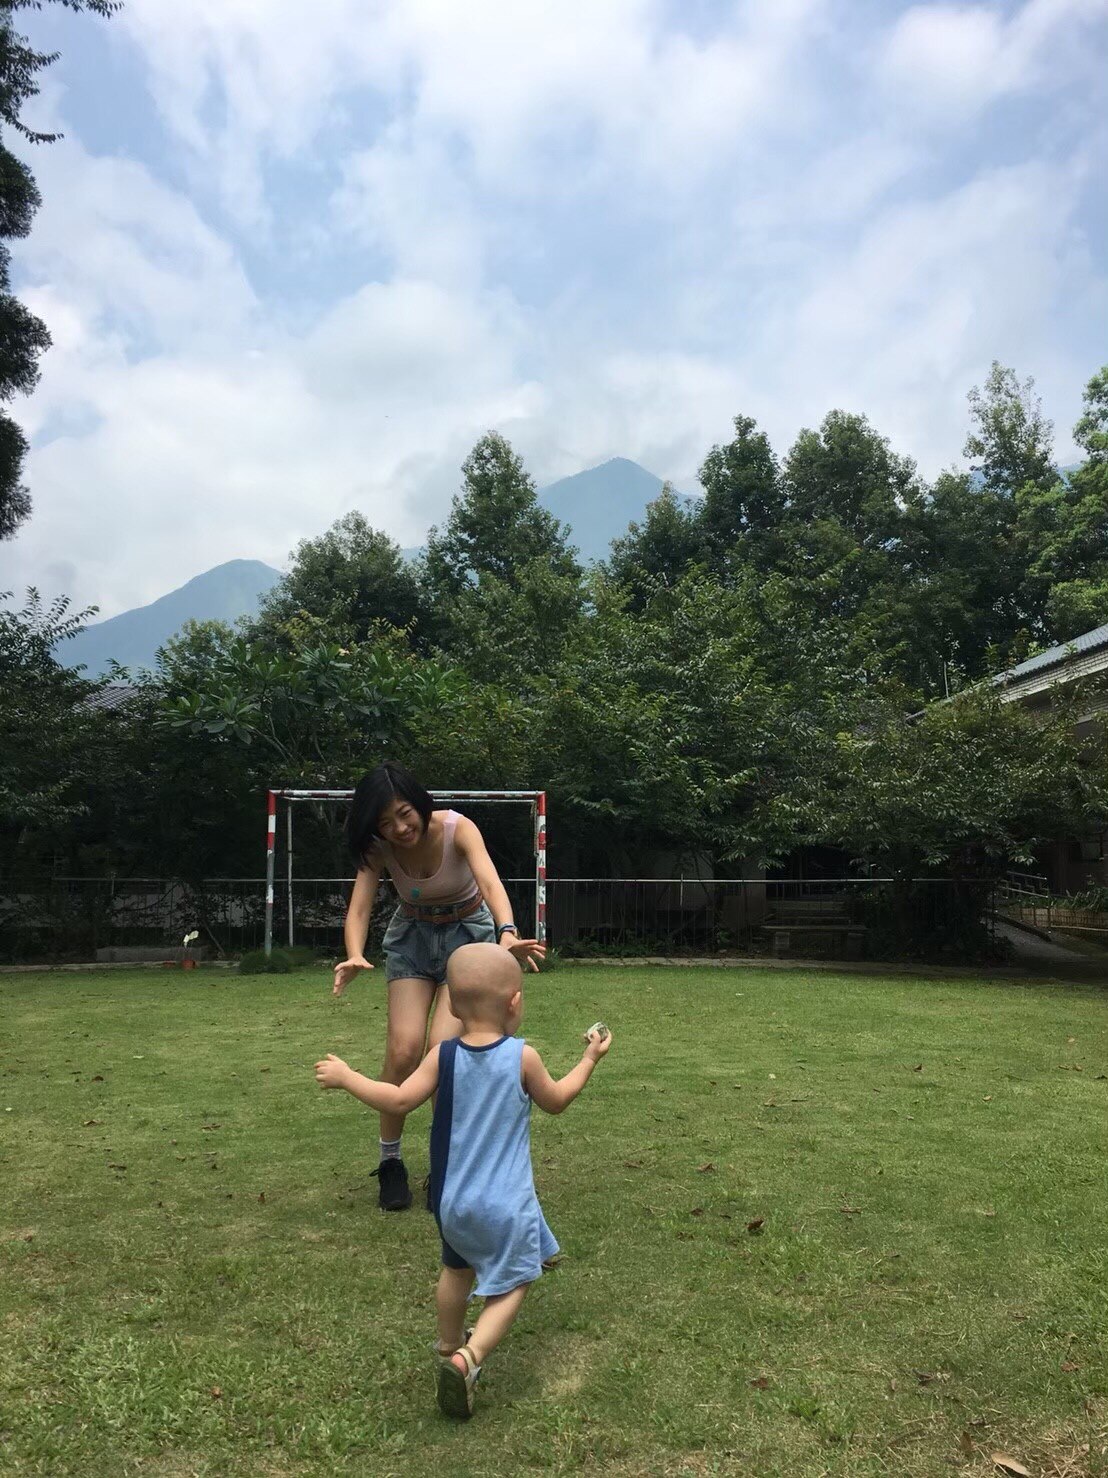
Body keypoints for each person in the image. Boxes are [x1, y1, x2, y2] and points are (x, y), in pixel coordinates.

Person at [314, 941, 612, 1419]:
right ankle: (467, 1358)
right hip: (506, 1205)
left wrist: (349, 1077)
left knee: (456, 1270)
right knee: (513, 1284)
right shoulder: (522, 1057)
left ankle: (448, 1341)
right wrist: (590, 1059)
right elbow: (557, 1101)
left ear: (450, 1005)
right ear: (514, 1003)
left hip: (452, 1201)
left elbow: (396, 1101)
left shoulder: (442, 1056)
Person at [332, 762, 546, 1210]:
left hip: (466, 938)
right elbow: (359, 907)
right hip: (412, 938)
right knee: (403, 1051)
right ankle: (390, 1161)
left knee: (442, 1051)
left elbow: (489, 880)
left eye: (405, 813)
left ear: (419, 802)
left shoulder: (456, 828)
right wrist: (354, 952)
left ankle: (445, 1165)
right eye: (385, 822)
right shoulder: (379, 848)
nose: (399, 828)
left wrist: (506, 930)